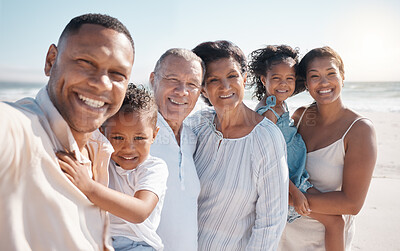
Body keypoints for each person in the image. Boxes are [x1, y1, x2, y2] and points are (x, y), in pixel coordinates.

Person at [0, 13, 135, 250]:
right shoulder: (22, 131)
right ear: (51, 60)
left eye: (117, 74)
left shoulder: (100, 148)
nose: (103, 83)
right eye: (86, 62)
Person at [187, 40, 288, 250]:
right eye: (213, 79)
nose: (225, 86)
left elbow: (270, 223)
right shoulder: (196, 125)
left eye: (232, 76)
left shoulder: (266, 138)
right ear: (203, 89)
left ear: (244, 78)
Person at [278, 46, 377, 251]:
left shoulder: (359, 130)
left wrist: (286, 198)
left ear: (342, 76)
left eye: (331, 73)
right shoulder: (300, 116)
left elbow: (352, 204)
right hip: (285, 235)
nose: (324, 83)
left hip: (324, 241)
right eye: (314, 76)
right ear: (306, 83)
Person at [249, 45, 345, 251]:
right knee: (335, 222)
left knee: (336, 220)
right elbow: (272, 162)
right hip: (288, 184)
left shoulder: (279, 104)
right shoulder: (267, 112)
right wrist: (296, 193)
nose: (283, 84)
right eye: (276, 78)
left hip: (297, 177)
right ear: (263, 80)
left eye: (289, 78)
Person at [57, 84, 168, 251]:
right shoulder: (101, 160)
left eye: (139, 138)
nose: (128, 148)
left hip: (138, 245)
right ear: (102, 132)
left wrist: (88, 187)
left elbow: (140, 211)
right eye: (118, 137)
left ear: (154, 135)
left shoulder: (153, 168)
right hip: (98, 241)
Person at [149, 48, 205, 251]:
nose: (182, 91)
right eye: (172, 79)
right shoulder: (132, 133)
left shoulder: (192, 137)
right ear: (153, 79)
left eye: (192, 84)